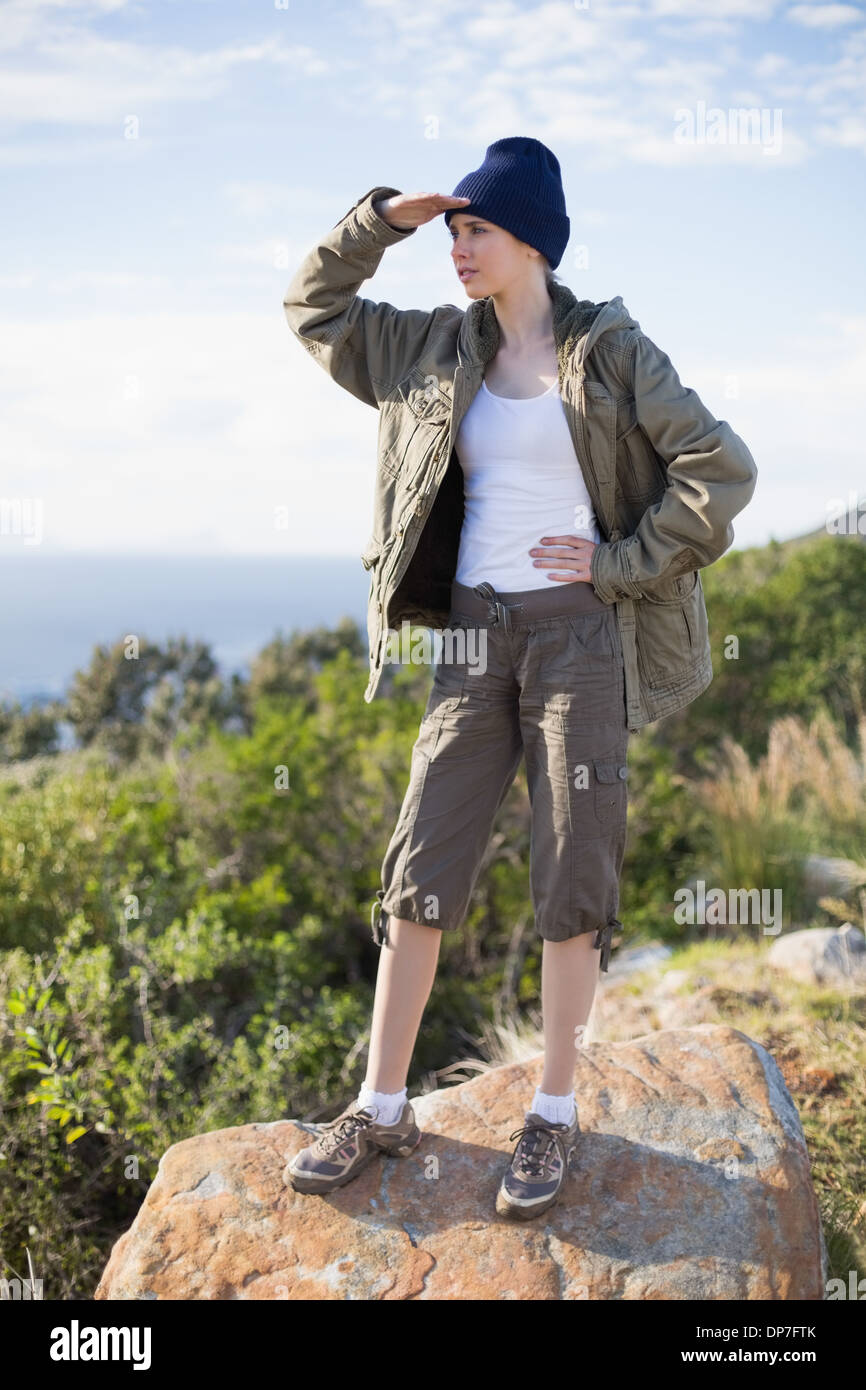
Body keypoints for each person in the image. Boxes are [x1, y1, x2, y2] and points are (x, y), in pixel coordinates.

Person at [281, 137, 757, 1220]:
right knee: (422, 862)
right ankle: (381, 1103)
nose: (455, 248)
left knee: (569, 877)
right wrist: (379, 221)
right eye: (450, 231)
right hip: (467, 642)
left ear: (528, 239)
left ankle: (549, 1111)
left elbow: (719, 470)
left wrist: (621, 561)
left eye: (473, 229)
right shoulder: (430, 350)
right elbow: (311, 307)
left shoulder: (609, 352)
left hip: (579, 642)